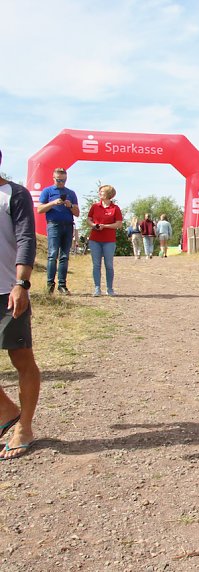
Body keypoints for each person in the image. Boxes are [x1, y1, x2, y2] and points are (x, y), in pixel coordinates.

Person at [0, 149, 42, 460]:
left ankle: (23, 426)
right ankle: (7, 410)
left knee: (21, 360)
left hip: (7, 291)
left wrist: (21, 284)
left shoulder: (13, 195)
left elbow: (27, 238)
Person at [37, 167, 79, 294]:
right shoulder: (47, 191)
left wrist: (69, 205)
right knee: (52, 254)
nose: (61, 183)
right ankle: (50, 285)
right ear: (53, 178)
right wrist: (53, 203)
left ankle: (62, 285)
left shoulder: (71, 193)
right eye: (58, 180)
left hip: (68, 225)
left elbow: (77, 213)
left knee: (65, 256)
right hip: (54, 225)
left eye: (63, 180)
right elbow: (39, 209)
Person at [87, 185, 123, 297]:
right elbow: (88, 219)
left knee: (109, 265)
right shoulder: (94, 206)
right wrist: (93, 225)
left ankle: (110, 288)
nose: (100, 193)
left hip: (109, 240)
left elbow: (119, 224)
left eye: (102, 191)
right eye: (100, 191)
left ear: (108, 194)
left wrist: (105, 226)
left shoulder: (115, 208)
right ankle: (97, 288)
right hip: (95, 239)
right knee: (96, 264)